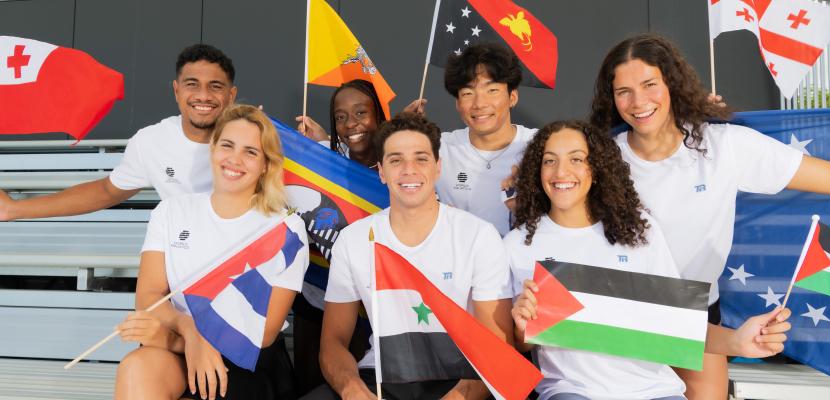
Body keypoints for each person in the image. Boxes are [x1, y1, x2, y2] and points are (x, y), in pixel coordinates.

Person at [589, 33, 830, 399]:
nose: (638, 102)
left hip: (697, 313)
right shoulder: (598, 160)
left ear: (671, 82)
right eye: (623, 91)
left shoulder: (724, 146)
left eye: (649, 84)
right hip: (624, 314)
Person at [507, 120, 792, 400]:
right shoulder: (518, 245)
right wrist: (522, 326)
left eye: (577, 159)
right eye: (549, 161)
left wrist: (739, 341)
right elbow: (515, 347)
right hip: (572, 392)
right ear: (536, 170)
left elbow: (675, 324)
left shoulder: (639, 230)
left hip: (656, 391)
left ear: (596, 168)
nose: (561, 172)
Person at [304, 112, 514, 399]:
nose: (408, 170)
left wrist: (460, 396)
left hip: (459, 380)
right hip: (380, 378)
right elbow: (332, 342)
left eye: (421, 158)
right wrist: (350, 387)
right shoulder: (353, 240)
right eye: (395, 160)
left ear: (438, 167)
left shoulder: (478, 236)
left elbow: (498, 349)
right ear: (381, 171)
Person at [114, 104, 309, 400]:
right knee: (135, 368)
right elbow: (149, 297)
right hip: (176, 341)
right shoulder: (171, 211)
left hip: (247, 358)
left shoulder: (285, 228)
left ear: (266, 164)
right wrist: (188, 333)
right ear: (212, 148)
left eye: (250, 152)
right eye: (227, 145)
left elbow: (264, 332)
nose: (235, 159)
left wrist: (175, 340)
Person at [0, 43, 237, 220]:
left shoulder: (257, 136)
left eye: (215, 87)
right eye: (192, 84)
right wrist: (14, 208)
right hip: (188, 259)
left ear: (231, 95)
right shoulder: (152, 141)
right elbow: (106, 192)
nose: (203, 96)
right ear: (176, 91)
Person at [436, 42, 536, 236]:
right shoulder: (437, 148)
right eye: (468, 93)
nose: (479, 104)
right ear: (457, 103)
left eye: (492, 90)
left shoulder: (540, 147)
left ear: (512, 97)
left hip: (521, 263)